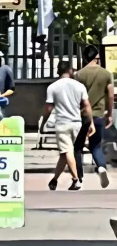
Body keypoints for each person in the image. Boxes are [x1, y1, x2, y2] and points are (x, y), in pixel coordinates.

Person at [46, 58, 90, 191]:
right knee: (64, 154)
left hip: (62, 124)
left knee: (67, 151)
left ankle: (76, 180)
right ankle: (54, 180)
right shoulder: (79, 86)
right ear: (70, 71)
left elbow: (48, 108)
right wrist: (91, 122)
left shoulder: (53, 87)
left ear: (58, 71)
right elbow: (87, 105)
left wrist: (44, 121)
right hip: (77, 123)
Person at [75, 46, 114, 186]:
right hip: (98, 115)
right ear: (97, 56)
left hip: (82, 115)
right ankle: (102, 167)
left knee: (77, 147)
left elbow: (77, 97)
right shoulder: (106, 74)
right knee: (96, 146)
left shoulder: (79, 74)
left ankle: (78, 178)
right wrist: (109, 114)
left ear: (85, 57)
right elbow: (110, 95)